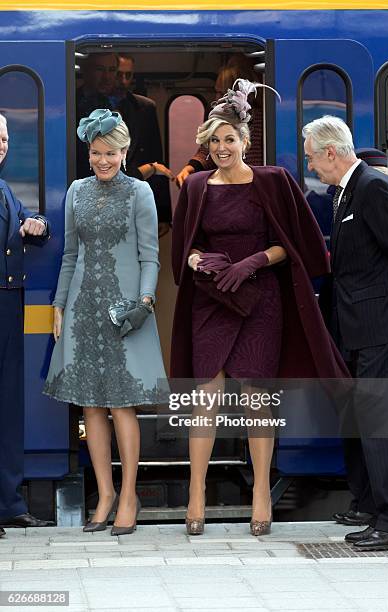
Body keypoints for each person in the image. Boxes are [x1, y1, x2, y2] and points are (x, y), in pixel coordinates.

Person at [171, 82, 349, 537]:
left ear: (245, 142)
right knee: (204, 398)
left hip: (261, 300)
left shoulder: (272, 180)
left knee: (257, 399)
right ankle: (196, 494)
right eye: (214, 140)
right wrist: (198, 259)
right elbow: (185, 249)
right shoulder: (193, 186)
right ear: (206, 144)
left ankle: (261, 494)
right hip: (213, 298)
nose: (221, 147)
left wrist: (254, 260)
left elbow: (293, 244)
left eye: (230, 138)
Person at [44, 109, 166, 536]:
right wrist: (59, 305)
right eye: (96, 152)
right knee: (91, 405)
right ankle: (106, 494)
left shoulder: (141, 193)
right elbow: (70, 255)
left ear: (125, 151)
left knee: (121, 403)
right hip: (82, 307)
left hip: (125, 310)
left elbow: (149, 255)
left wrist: (145, 302)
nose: (102, 160)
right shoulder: (76, 191)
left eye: (110, 153)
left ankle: (129, 494)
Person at [303, 115, 388, 550]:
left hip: (382, 327)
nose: (311, 167)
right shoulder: (346, 192)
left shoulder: (372, 188)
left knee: (382, 426)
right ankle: (384, 514)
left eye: (312, 158)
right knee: (371, 424)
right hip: (360, 329)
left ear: (331, 152)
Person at [0, 113, 52, 536]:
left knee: (8, 405)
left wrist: (39, 224)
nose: (1, 145)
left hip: (8, 303)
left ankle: (9, 502)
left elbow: (26, 218)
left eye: (3, 138)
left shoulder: (3, 189)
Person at [76, 53, 173, 227]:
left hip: (133, 207)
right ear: (85, 70)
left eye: (112, 70)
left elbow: (155, 156)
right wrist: (148, 170)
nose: (107, 77)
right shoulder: (69, 106)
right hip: (86, 205)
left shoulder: (142, 108)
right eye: (100, 69)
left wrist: (162, 214)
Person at [175, 54, 263, 188]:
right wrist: (190, 167)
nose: (216, 98)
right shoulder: (217, 119)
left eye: (221, 94)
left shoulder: (259, 120)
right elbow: (206, 151)